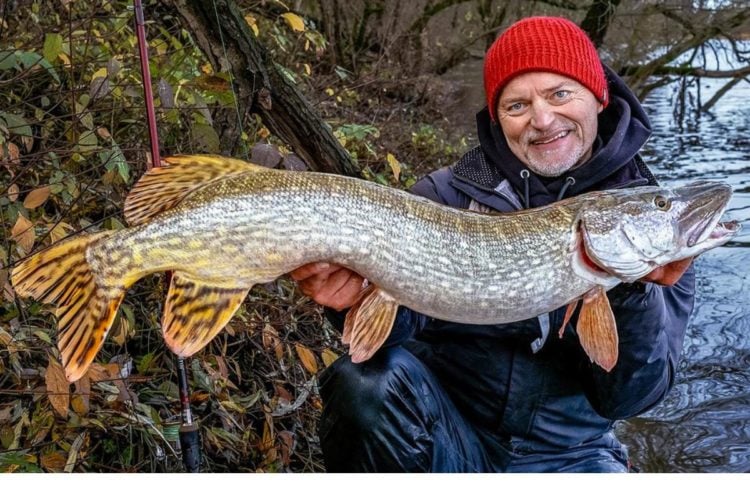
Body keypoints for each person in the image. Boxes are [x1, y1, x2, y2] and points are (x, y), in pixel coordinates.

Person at [291, 16, 695, 472]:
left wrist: (631, 290)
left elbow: (629, 398)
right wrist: (351, 298)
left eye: (560, 93)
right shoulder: (446, 198)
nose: (543, 119)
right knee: (364, 384)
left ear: (598, 97)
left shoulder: (650, 224)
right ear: (498, 117)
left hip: (575, 455)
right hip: (449, 428)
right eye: (517, 104)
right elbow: (399, 332)